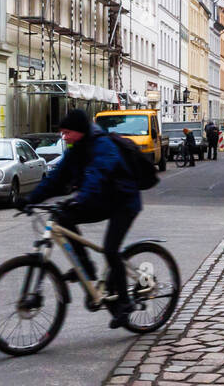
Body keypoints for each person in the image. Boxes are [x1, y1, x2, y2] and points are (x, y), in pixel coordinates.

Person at [19, 109, 139, 327]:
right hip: (101, 200)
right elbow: (56, 178)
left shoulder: (103, 145)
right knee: (64, 218)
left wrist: (80, 198)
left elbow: (98, 174)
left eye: (67, 132)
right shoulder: (76, 149)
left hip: (124, 202)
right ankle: (87, 268)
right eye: (62, 133)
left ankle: (125, 302)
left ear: (79, 131)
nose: (64, 137)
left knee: (111, 249)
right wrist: (29, 198)